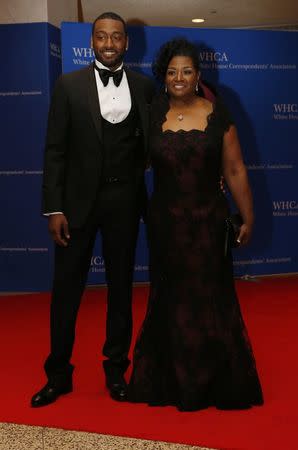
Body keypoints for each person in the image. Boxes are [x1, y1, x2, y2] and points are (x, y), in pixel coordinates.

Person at [128, 38, 264, 411]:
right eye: (172, 72)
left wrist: (247, 216)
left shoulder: (217, 115)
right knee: (170, 300)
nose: (179, 77)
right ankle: (172, 381)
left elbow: (235, 169)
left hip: (208, 224)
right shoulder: (152, 113)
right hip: (166, 226)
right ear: (164, 76)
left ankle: (211, 382)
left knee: (209, 300)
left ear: (198, 75)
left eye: (186, 71)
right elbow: (135, 163)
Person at [31, 12, 155, 407]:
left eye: (116, 37)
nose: (109, 43)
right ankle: (58, 374)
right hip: (76, 207)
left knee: (121, 289)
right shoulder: (68, 86)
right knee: (66, 291)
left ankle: (116, 369)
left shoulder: (145, 86)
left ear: (126, 43)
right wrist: (54, 208)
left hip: (124, 204)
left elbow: (152, 145)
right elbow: (55, 151)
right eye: (102, 36)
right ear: (92, 40)